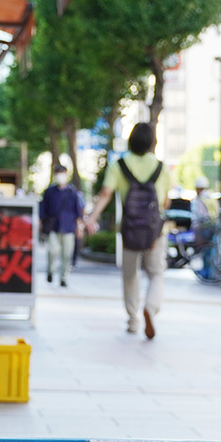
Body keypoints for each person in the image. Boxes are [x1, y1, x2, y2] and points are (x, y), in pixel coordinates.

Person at [85, 123, 171, 339]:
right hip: (154, 231)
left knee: (130, 276)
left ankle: (133, 320)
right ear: (153, 142)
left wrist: (92, 218)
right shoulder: (161, 167)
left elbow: (105, 193)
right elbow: (165, 202)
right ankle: (150, 308)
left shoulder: (119, 165)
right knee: (156, 273)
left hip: (130, 229)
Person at [39, 163, 84, 287]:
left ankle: (63, 277)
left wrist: (79, 227)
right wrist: (40, 224)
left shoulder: (73, 193)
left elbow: (78, 212)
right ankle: (50, 271)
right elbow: (42, 210)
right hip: (53, 226)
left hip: (69, 227)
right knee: (52, 251)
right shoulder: (49, 192)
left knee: (66, 254)